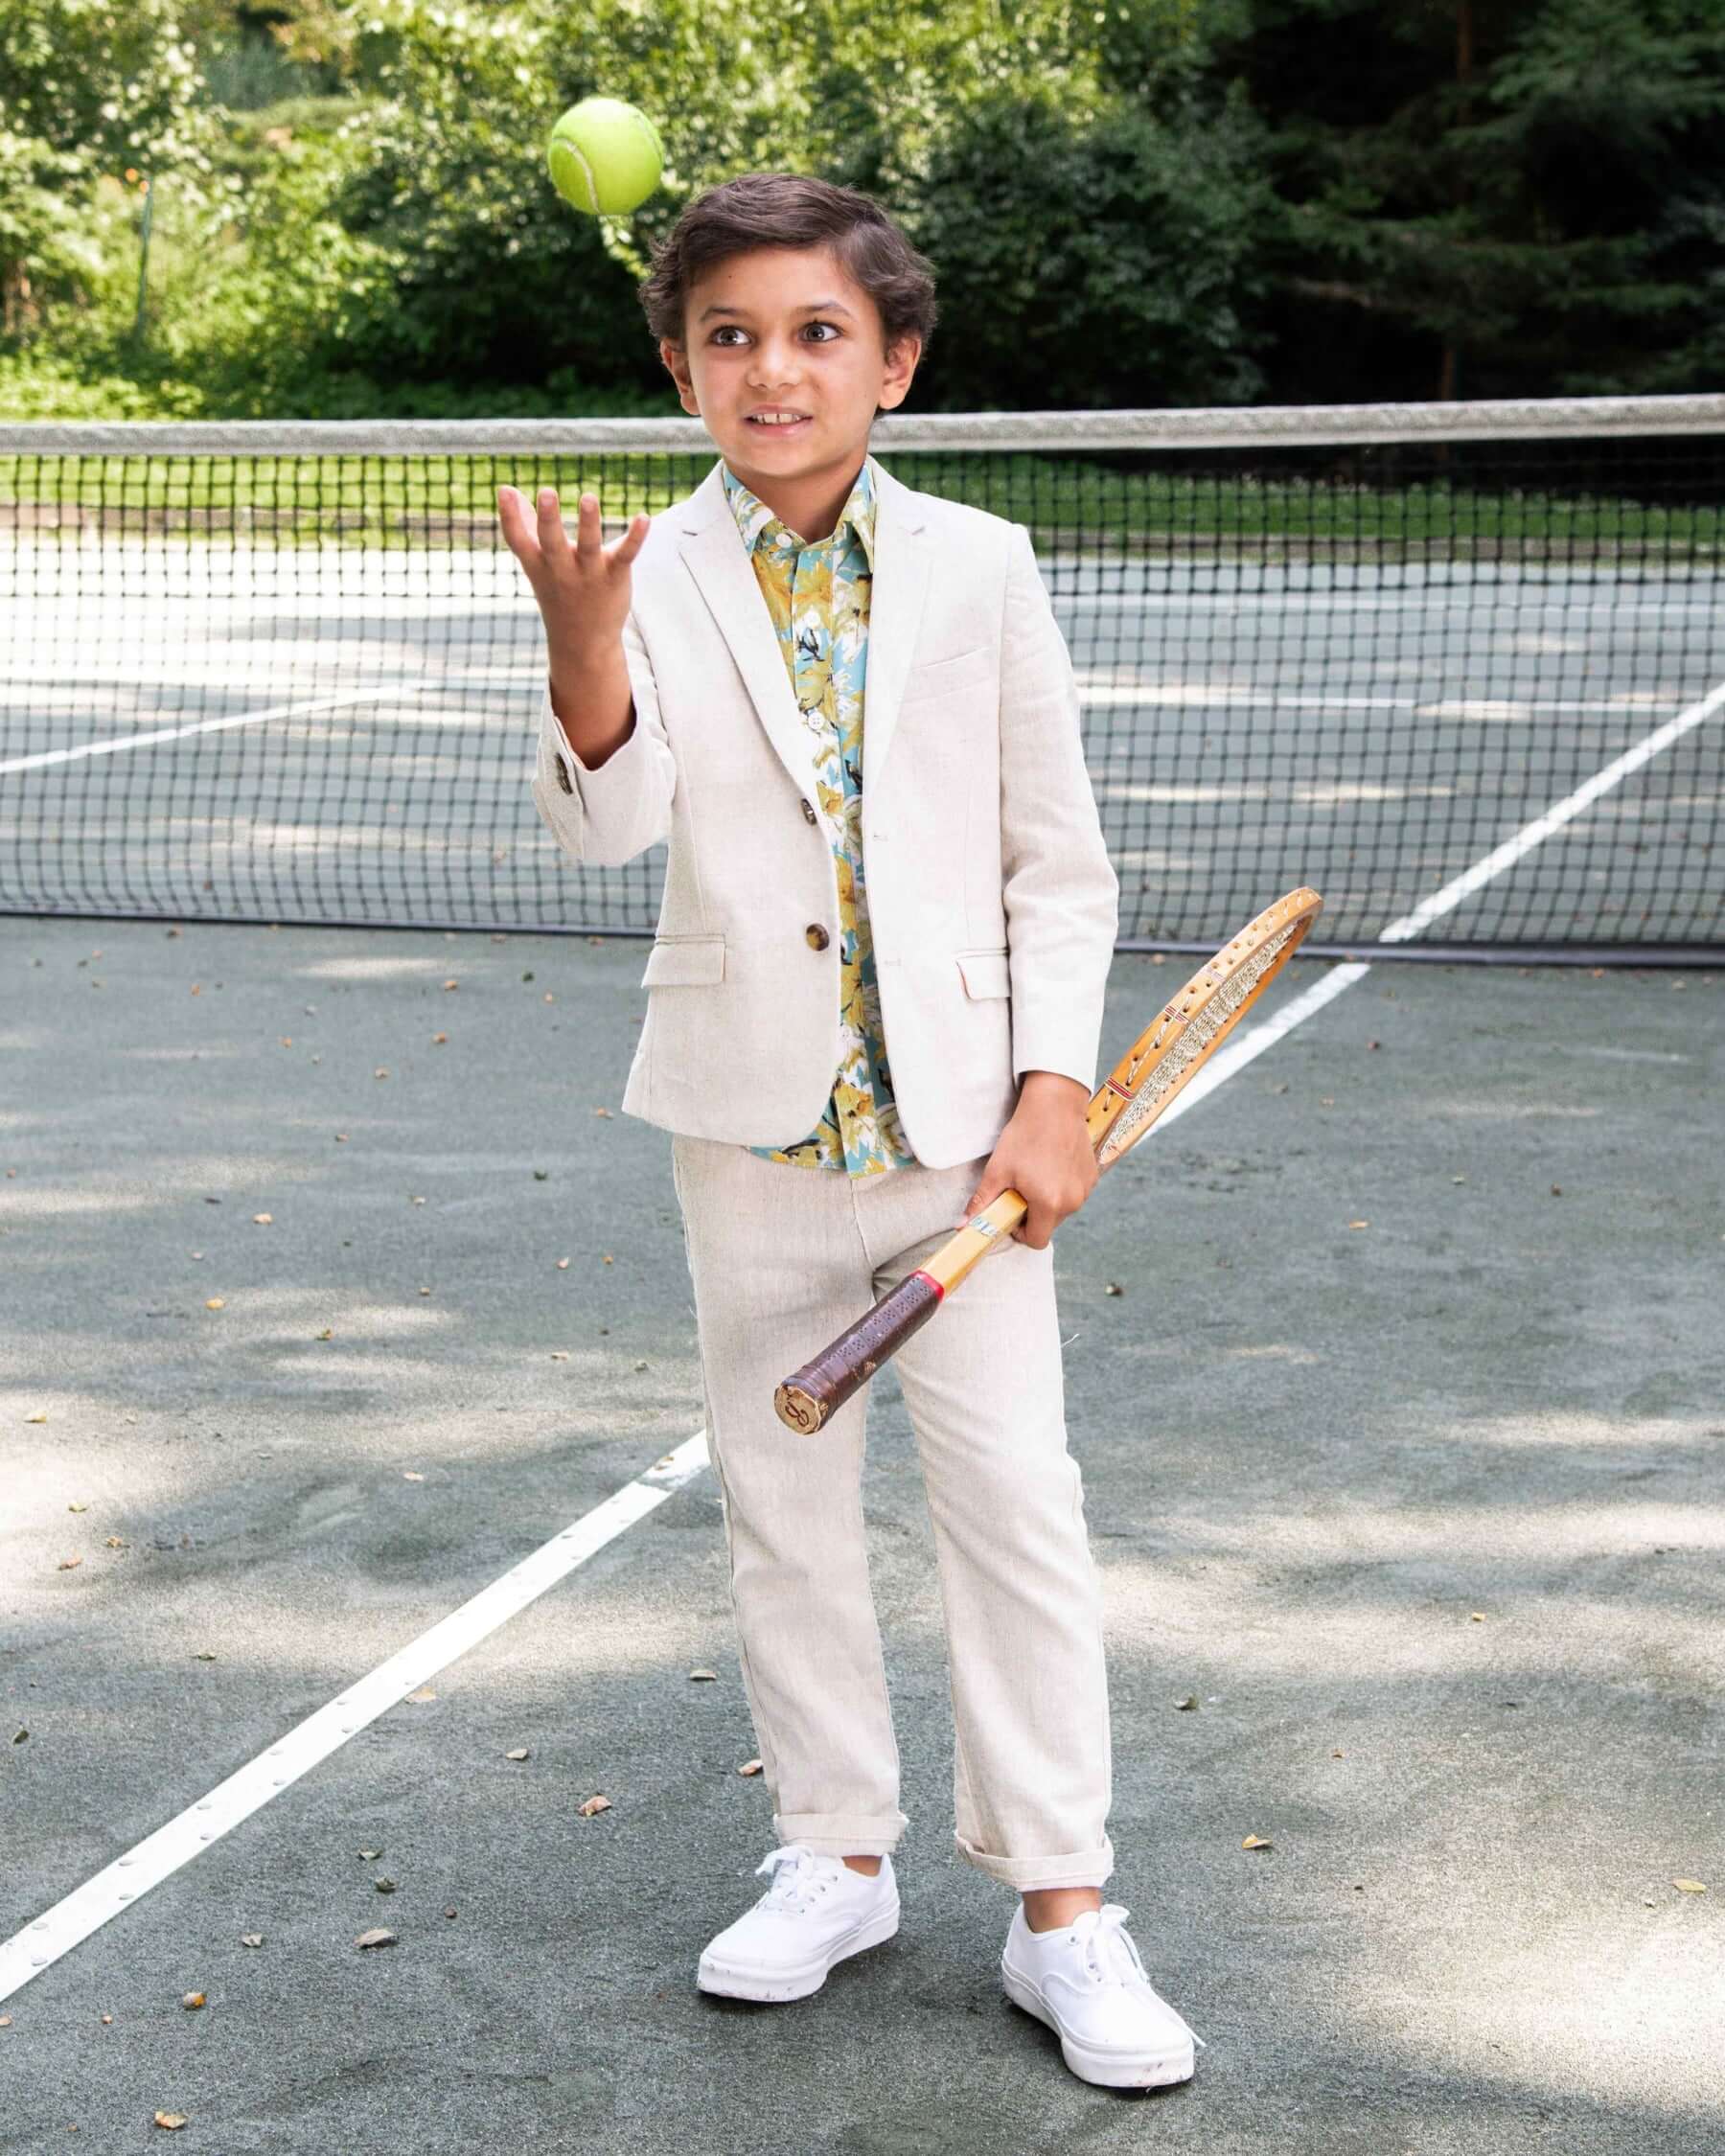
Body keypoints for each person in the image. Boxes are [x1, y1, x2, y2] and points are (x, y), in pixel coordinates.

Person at [501, 171, 1203, 2092]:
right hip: (747, 1138)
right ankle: (835, 1852)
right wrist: (580, 642)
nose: (774, 368)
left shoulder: (983, 563)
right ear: (678, 367)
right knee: (782, 1512)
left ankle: (1064, 1907)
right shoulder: (639, 567)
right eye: (729, 336)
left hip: (964, 1144)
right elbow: (606, 825)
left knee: (1017, 1512)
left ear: (894, 361)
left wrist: (1055, 1088)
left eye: (817, 332)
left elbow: (1055, 861)